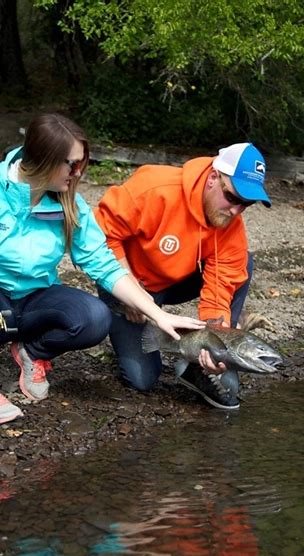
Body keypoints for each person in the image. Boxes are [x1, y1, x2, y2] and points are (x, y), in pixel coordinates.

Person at [0, 112, 205, 426]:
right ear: (44, 159)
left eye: (82, 164)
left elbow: (104, 264)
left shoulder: (68, 203)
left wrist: (158, 314)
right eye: (72, 164)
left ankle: (32, 352)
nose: (78, 173)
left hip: (34, 306)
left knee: (96, 316)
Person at [94, 142, 272, 410]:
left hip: (175, 280)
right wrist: (132, 292)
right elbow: (100, 235)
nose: (236, 210)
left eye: (246, 204)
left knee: (242, 263)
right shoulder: (154, 187)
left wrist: (216, 345)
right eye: (233, 198)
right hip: (126, 282)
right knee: (142, 380)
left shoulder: (230, 223)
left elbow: (221, 285)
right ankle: (125, 329)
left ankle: (197, 367)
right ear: (214, 178)